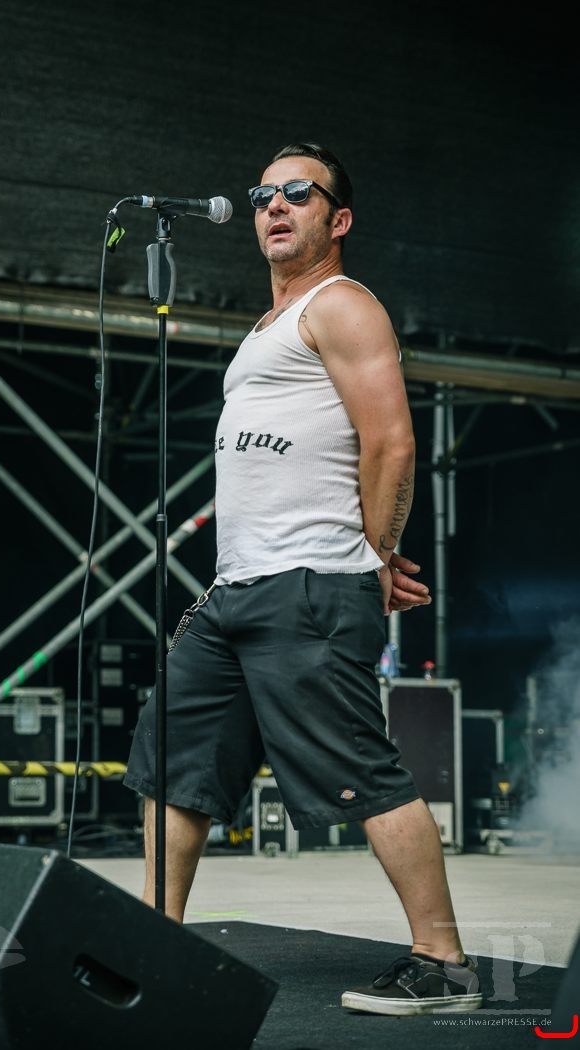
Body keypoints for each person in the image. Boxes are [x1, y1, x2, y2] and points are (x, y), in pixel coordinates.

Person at [123, 142, 482, 1016]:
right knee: (175, 763)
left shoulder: (343, 304)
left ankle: (444, 963)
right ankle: (155, 945)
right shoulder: (268, 326)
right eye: (263, 195)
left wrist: (375, 555)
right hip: (234, 591)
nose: (274, 206)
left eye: (297, 192)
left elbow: (391, 441)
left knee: (360, 767)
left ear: (338, 218)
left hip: (310, 583)